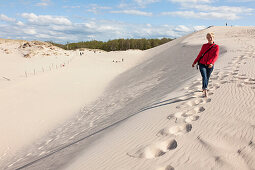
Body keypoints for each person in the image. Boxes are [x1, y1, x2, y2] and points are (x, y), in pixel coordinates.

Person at [192, 33, 219, 97]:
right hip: (202, 64)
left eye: (211, 37)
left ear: (213, 37)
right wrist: (195, 62)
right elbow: (200, 54)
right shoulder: (204, 46)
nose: (210, 38)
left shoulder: (216, 46)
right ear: (207, 38)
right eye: (208, 37)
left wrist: (212, 63)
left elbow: (216, 56)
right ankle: (205, 89)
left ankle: (204, 87)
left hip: (210, 65)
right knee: (204, 76)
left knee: (207, 77)